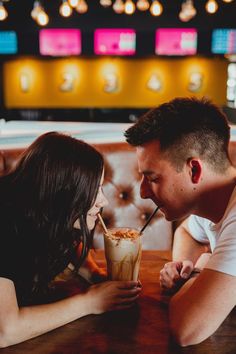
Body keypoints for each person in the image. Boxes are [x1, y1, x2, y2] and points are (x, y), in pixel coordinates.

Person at [0, 132, 141, 348]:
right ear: (62, 192)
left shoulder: (46, 210)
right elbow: (5, 331)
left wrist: (94, 273)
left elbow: (69, 240)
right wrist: (89, 302)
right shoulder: (5, 222)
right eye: (94, 189)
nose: (102, 200)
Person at [124, 97, 236, 346]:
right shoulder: (214, 203)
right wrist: (182, 265)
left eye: (152, 178)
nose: (143, 192)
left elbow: (186, 329)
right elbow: (186, 232)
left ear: (194, 170)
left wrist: (200, 269)